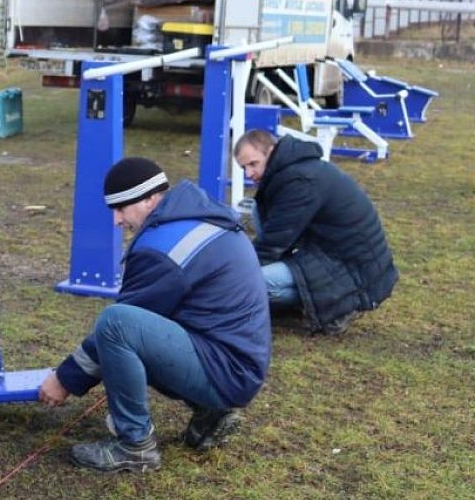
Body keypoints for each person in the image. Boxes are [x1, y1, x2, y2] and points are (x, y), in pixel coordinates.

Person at [38, 158, 270, 473]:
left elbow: (126, 323)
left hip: (226, 370)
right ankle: (210, 411)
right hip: (238, 361)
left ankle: (134, 445)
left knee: (116, 323)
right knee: (140, 327)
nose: (117, 221)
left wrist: (64, 379)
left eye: (121, 208)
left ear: (150, 199)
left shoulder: (162, 247)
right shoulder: (198, 217)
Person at [233, 129, 398, 335]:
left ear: (271, 151)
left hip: (354, 272)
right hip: (331, 253)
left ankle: (339, 308)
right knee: (259, 208)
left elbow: (273, 243)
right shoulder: (293, 169)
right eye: (243, 168)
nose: (248, 174)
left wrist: (232, 273)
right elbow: (276, 236)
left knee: (249, 284)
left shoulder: (299, 181)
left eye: (253, 164)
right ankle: (306, 301)